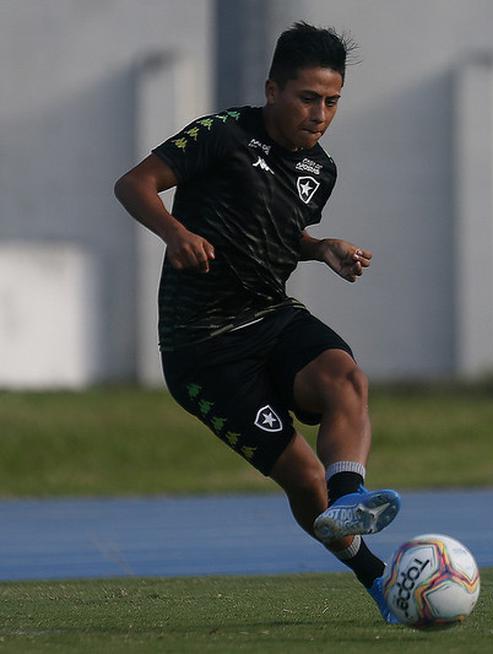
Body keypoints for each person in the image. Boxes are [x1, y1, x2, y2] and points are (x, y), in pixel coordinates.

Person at [114, 22, 400, 624]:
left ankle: (351, 500)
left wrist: (320, 247)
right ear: (273, 90)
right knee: (302, 480)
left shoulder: (320, 170)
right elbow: (134, 183)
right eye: (307, 98)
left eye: (331, 101)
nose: (319, 114)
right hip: (203, 351)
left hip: (267, 314)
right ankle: (376, 578)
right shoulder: (222, 134)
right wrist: (177, 233)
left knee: (345, 379)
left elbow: (271, 226)